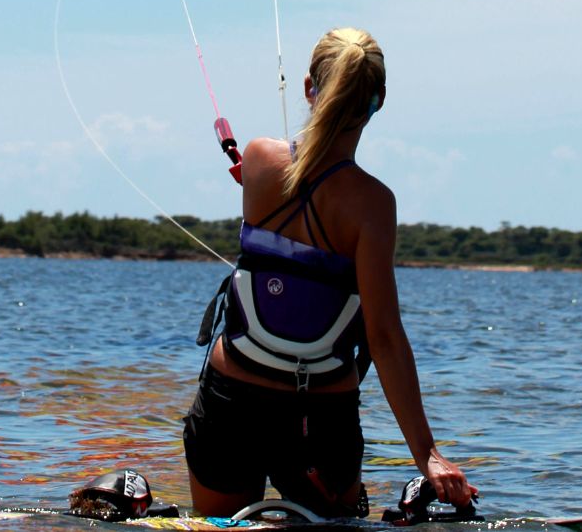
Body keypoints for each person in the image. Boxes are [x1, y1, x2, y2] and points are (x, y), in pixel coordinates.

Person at [183, 27, 478, 518]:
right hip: (318, 423)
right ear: (377, 103)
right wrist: (428, 455)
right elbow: (384, 338)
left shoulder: (256, 159)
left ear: (307, 88)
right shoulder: (373, 206)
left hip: (231, 404)